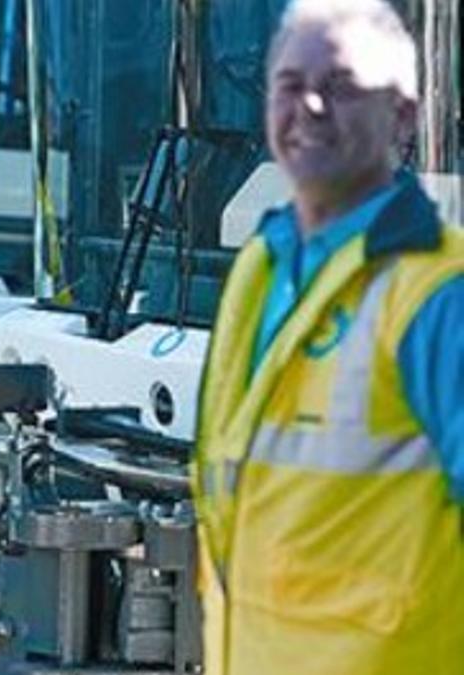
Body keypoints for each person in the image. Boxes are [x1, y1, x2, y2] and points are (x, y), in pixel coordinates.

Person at [192, 2, 464, 674]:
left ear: (403, 114)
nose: (309, 104)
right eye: (289, 85)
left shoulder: (437, 294)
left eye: (341, 85)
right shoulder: (259, 268)